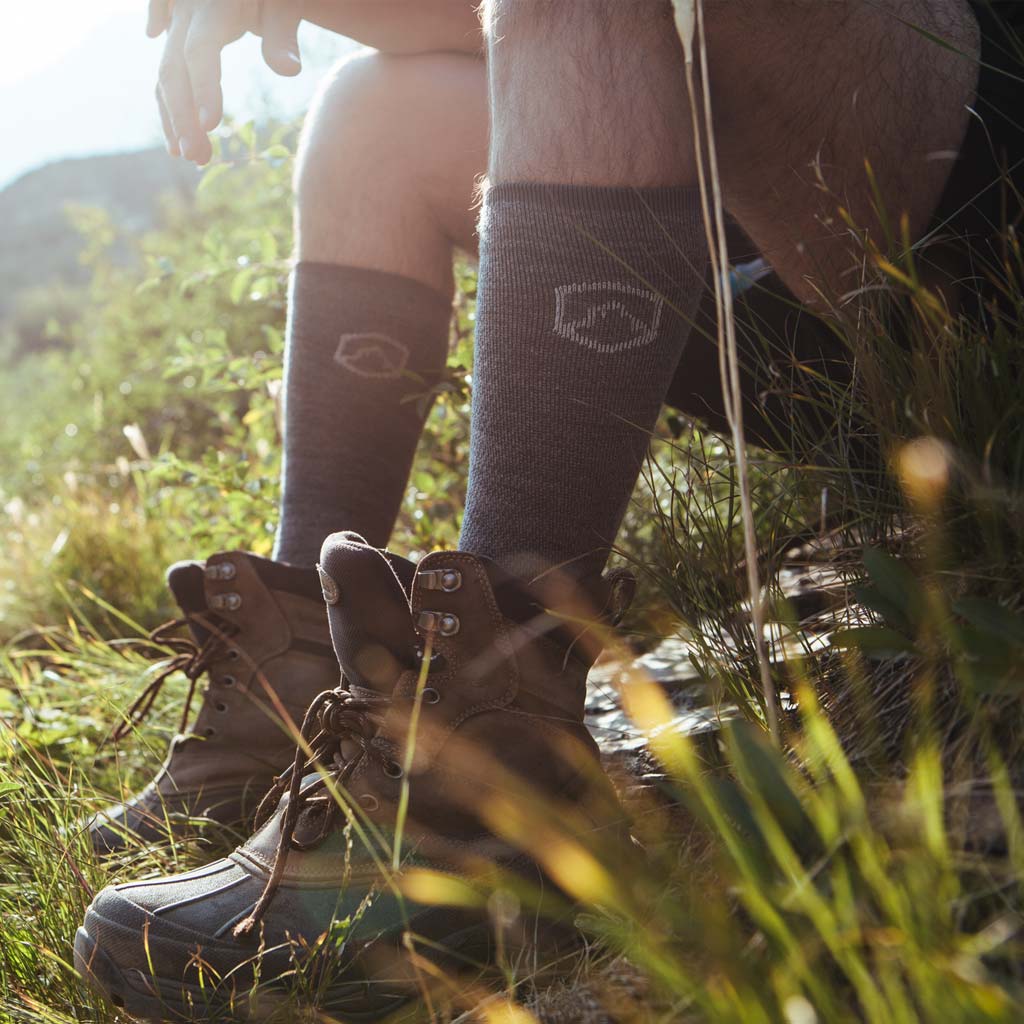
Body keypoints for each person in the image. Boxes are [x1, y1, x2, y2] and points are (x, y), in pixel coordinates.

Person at [76, 0, 1020, 1017]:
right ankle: (298, 679)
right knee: (376, 115)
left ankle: (487, 773)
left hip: (979, 225)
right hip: (803, 279)